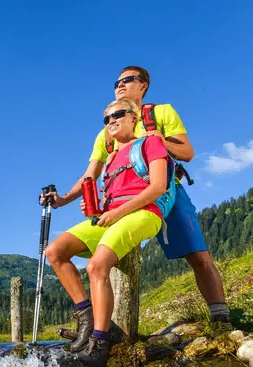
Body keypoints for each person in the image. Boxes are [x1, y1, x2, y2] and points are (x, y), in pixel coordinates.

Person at [44, 66, 228, 349]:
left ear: (144, 85)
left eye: (127, 80)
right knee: (105, 256)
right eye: (116, 82)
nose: (119, 85)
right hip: (121, 198)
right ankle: (100, 326)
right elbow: (90, 175)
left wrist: (149, 141)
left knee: (198, 256)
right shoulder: (106, 132)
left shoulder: (160, 113)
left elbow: (187, 153)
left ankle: (221, 320)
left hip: (165, 191)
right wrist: (62, 200)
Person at [44, 99, 170, 367]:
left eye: (117, 115)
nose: (111, 121)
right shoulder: (111, 155)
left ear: (134, 117)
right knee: (55, 251)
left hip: (144, 212)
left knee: (96, 265)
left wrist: (117, 213)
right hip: (109, 215)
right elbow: (90, 180)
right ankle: (86, 315)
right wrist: (62, 200)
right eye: (106, 119)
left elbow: (159, 186)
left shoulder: (150, 143)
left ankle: (100, 342)